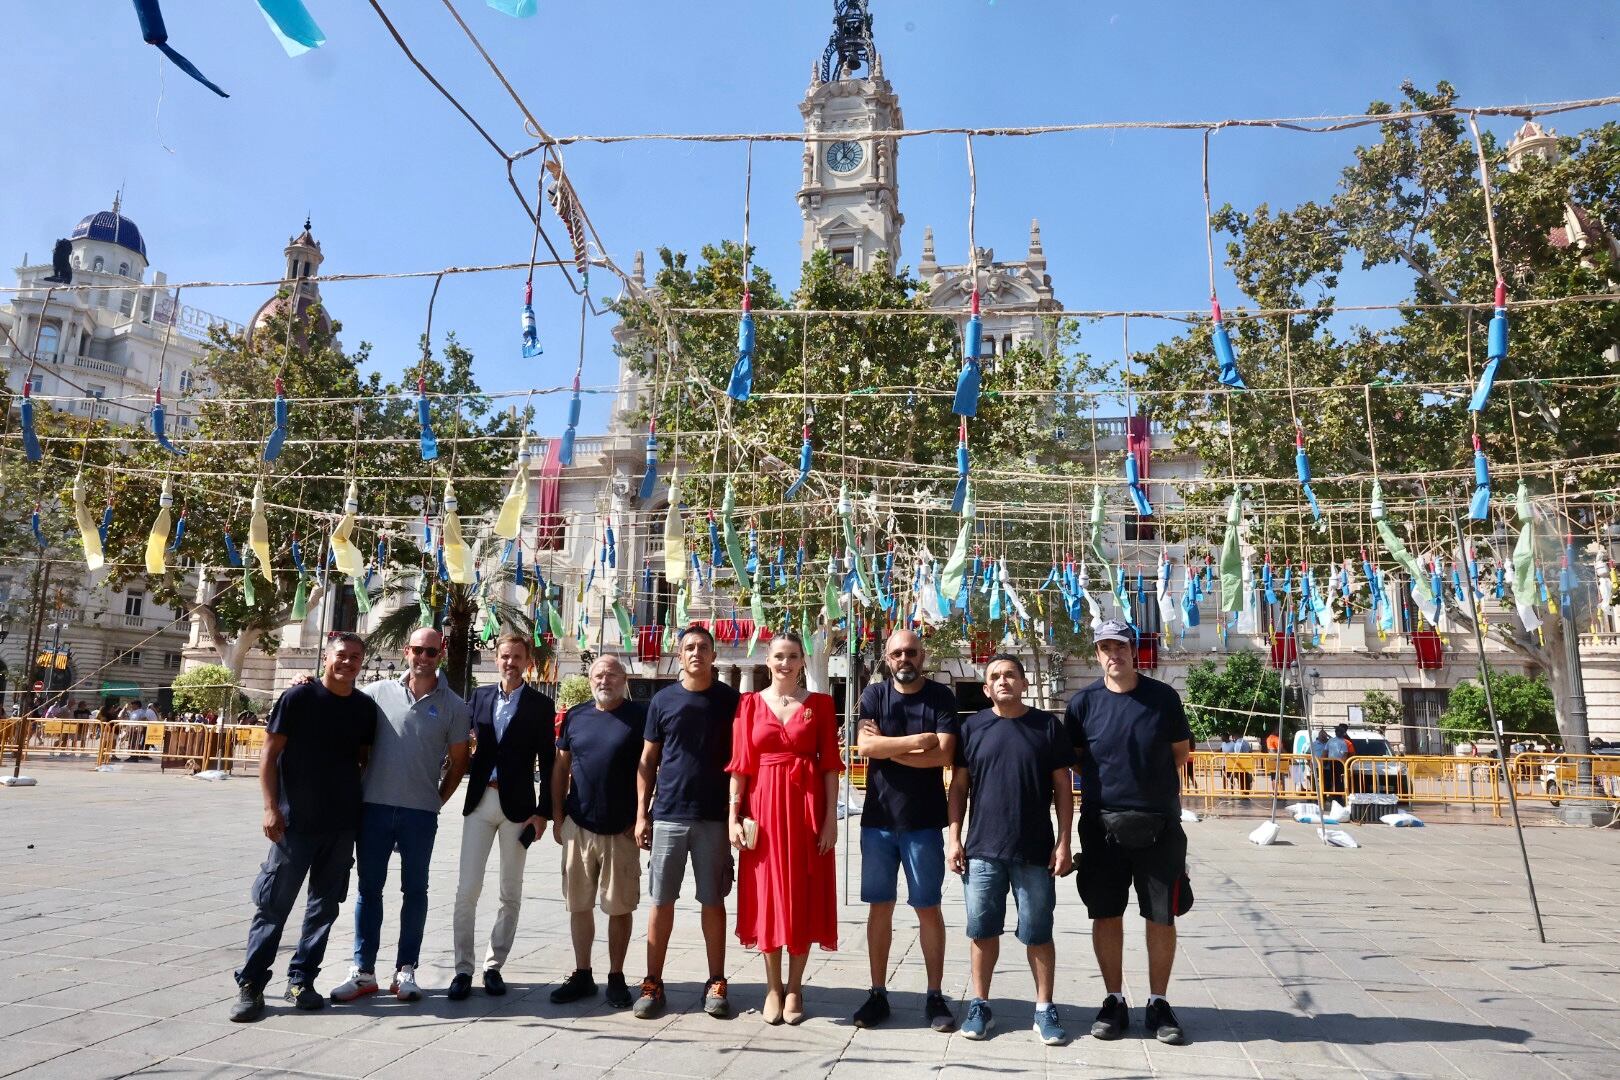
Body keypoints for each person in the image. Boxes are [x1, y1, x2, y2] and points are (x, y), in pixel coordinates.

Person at [230, 633, 379, 1022]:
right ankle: (251, 985)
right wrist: (269, 807)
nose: (348, 663)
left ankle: (302, 979)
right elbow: (269, 754)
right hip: (293, 823)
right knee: (273, 905)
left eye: (355, 657)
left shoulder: (364, 708)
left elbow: (363, 760)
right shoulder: (298, 698)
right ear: (326, 658)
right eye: (341, 656)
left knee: (324, 909)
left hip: (340, 825)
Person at [1064, 620, 1192, 1047]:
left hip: (1158, 824)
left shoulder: (1163, 698)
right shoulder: (1083, 703)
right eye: (1104, 647)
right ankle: (1114, 999)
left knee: (1161, 915)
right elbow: (1078, 759)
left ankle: (1158, 1002)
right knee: (1105, 912)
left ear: (1133, 650)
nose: (1112, 654)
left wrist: (1145, 789)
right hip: (1102, 826)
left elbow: (1179, 753)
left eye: (1119, 646)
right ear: (1097, 653)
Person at [330, 627, 471, 1004]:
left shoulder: (455, 705)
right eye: (418, 650)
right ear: (406, 651)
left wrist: (437, 799)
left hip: (420, 814)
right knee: (368, 890)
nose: (424, 658)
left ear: (441, 655)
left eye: (432, 652)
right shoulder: (375, 694)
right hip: (374, 807)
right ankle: (363, 971)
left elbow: (460, 762)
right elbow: (346, 725)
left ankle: (406, 969)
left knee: (416, 892)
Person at [947, 654, 1075, 1046]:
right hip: (983, 850)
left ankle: (1043, 1008)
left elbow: (1063, 789)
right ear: (986, 689)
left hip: (1035, 851)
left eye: (1010, 675)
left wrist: (1065, 840)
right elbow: (958, 789)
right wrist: (953, 838)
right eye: (995, 677)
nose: (1003, 681)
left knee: (1038, 932)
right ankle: (980, 1004)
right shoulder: (971, 728)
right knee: (982, 931)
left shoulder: (1047, 727)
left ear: (1024, 684)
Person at [726, 630, 840, 1025]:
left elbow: (830, 767)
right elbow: (740, 765)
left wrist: (830, 819)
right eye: (778, 656)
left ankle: (796, 987)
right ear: (767, 661)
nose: (785, 663)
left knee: (804, 894)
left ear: (803, 662)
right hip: (764, 812)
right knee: (768, 896)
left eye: (793, 656)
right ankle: (772, 986)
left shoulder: (821, 705)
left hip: (808, 811)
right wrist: (733, 816)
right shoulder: (749, 704)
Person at [851, 628, 960, 1032]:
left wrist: (890, 748)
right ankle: (878, 991)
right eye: (897, 653)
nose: (904, 659)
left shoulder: (941, 697)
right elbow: (865, 749)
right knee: (880, 908)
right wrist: (918, 741)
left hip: (924, 822)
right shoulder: (875, 695)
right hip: (878, 821)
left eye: (911, 652)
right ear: (887, 656)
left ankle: (934, 995)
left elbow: (944, 755)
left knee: (927, 908)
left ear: (923, 655)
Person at [633, 624, 740, 1020]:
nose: (696, 653)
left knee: (713, 900)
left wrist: (737, 815)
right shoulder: (662, 701)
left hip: (714, 818)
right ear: (680, 656)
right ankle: (652, 981)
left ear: (714, 656)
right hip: (669, 816)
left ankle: (716, 980)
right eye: (689, 648)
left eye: (704, 647)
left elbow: (742, 764)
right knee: (661, 900)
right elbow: (647, 761)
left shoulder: (732, 701)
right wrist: (642, 814)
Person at [448, 633, 555, 1001]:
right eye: (505, 656)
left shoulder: (541, 705)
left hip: (519, 809)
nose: (510, 662)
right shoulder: (479, 697)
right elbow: (452, 729)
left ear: (528, 662)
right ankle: (463, 969)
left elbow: (550, 760)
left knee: (510, 891)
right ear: (496, 659)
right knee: (467, 889)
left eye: (517, 657)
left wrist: (544, 813)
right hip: (480, 802)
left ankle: (494, 966)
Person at [549, 655, 646, 1009]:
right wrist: (558, 817)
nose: (604, 680)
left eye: (612, 674)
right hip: (579, 825)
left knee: (619, 907)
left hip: (621, 828)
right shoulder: (575, 716)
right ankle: (582, 973)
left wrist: (642, 816)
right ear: (590, 679)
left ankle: (617, 976)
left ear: (625, 680)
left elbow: (652, 767)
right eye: (598, 674)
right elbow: (561, 768)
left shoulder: (640, 716)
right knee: (579, 904)